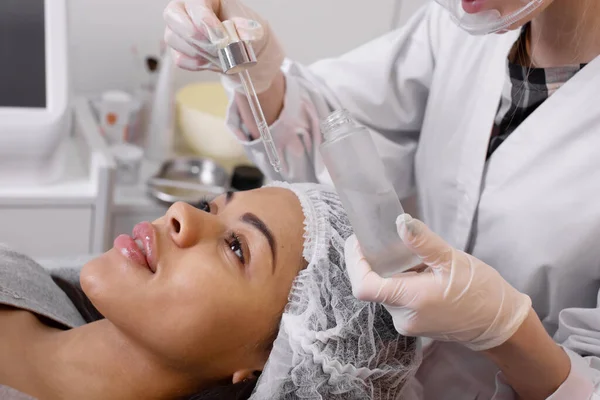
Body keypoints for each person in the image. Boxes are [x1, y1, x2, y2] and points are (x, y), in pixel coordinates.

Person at [163, 0, 600, 398]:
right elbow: (335, 138)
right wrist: (259, 79)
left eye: (236, 247)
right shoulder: (461, 29)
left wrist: (505, 329)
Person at [0, 182, 420, 400]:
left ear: (274, 368)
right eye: (211, 207)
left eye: (236, 248)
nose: (180, 212)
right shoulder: (28, 280)